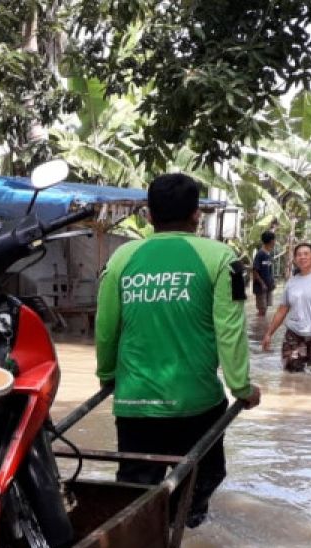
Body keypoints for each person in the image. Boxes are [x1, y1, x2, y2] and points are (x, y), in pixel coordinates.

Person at [94, 173, 260, 529]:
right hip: (197, 402)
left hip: (135, 401)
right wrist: (242, 388)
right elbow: (229, 331)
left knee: (136, 490)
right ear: (196, 214)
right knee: (205, 475)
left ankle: (147, 540)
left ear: (149, 215)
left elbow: (106, 327)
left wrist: (108, 376)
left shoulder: (122, 257)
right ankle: (185, 529)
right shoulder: (220, 257)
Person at [262, 242, 311, 371]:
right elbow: (282, 310)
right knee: (291, 374)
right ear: (294, 259)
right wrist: (269, 334)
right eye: (298, 255)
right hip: (294, 333)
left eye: (306, 254)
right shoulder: (291, 282)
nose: (302, 257)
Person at [251, 230, 277, 316]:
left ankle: (262, 328)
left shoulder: (268, 254)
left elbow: (268, 270)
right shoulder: (260, 254)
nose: (275, 242)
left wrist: (272, 282)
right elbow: (255, 270)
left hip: (268, 286)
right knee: (262, 310)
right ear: (271, 241)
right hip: (261, 287)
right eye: (274, 240)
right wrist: (262, 284)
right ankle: (257, 329)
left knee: (265, 309)